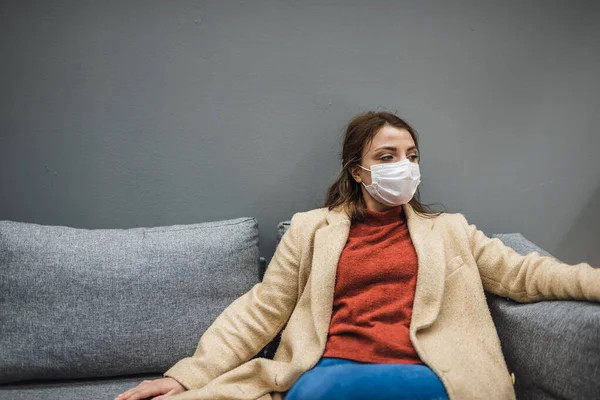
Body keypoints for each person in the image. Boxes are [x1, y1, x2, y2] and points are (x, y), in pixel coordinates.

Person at [115, 111, 600, 400]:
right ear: (359, 172)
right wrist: (185, 377)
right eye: (386, 157)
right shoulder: (311, 230)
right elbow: (262, 310)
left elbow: (528, 275)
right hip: (331, 370)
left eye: (411, 154)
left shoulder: (450, 231)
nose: (404, 166)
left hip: (428, 370)